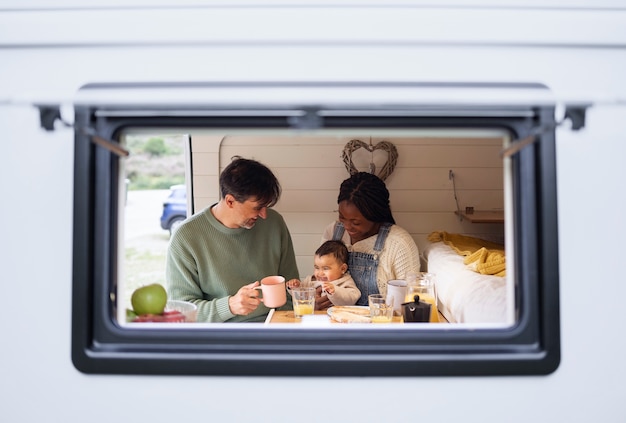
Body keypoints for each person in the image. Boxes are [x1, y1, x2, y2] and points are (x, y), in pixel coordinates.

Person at [166, 156, 299, 322]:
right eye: (257, 207)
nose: (264, 215)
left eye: (266, 206)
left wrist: (282, 326)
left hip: (274, 328)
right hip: (223, 336)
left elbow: (290, 287)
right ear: (230, 201)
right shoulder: (186, 238)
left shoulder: (274, 223)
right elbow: (183, 311)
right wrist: (229, 306)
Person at [317, 172, 420, 308]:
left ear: (376, 215)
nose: (347, 226)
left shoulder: (398, 243)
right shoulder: (333, 232)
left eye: (356, 222)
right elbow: (319, 276)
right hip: (335, 322)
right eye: (342, 217)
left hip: (379, 325)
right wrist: (316, 299)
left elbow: (410, 302)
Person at [286, 240, 360, 306]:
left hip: (335, 319)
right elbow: (301, 294)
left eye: (326, 268)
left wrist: (335, 291)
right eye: (317, 267)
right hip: (312, 318)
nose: (320, 273)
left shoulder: (345, 282)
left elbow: (352, 298)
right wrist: (295, 287)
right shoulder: (311, 281)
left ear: (342, 269)